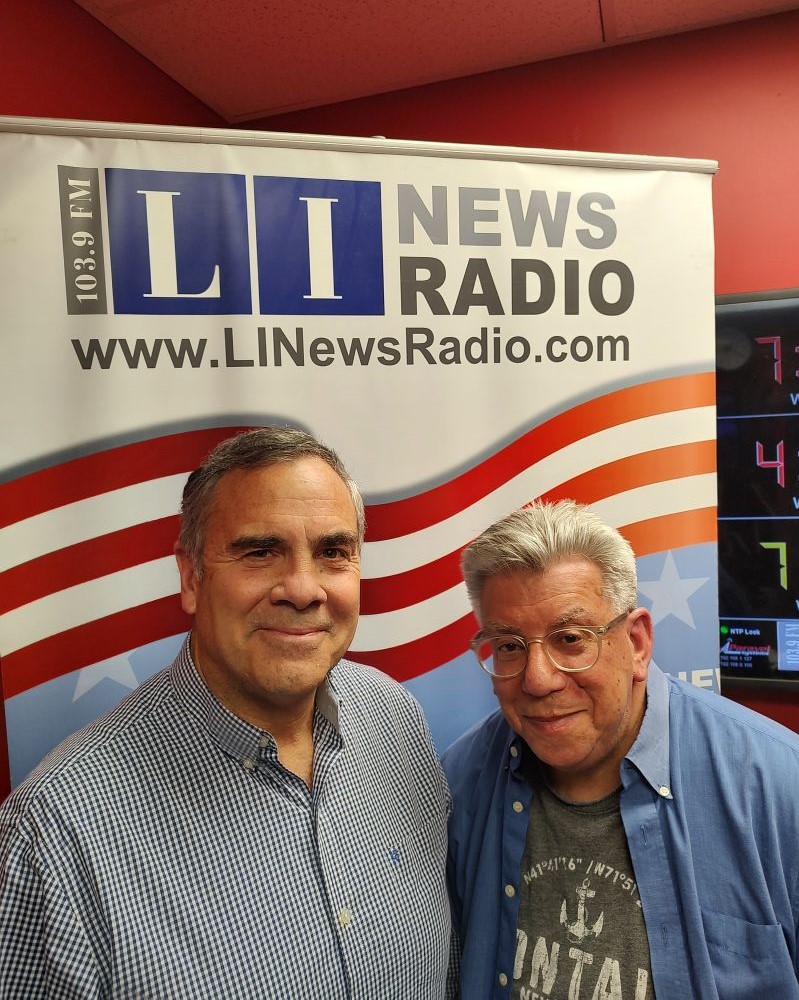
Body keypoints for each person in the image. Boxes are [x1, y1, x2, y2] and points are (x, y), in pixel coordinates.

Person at [0, 427, 452, 998]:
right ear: (191, 576)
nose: (304, 589)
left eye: (333, 552)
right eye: (260, 551)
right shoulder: (58, 832)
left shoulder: (395, 721)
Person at [443, 499, 799, 1000]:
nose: (538, 680)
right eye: (508, 646)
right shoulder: (460, 782)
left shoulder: (777, 788)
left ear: (636, 643)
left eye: (571, 639)